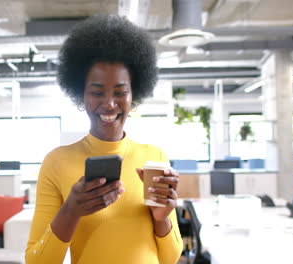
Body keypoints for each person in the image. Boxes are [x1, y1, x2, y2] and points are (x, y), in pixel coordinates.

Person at [26, 15, 183, 264]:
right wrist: (71, 211)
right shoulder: (56, 162)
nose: (109, 104)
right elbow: (37, 261)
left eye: (120, 92)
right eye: (97, 92)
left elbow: (170, 258)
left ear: (134, 95)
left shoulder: (155, 157)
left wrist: (162, 217)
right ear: (81, 94)